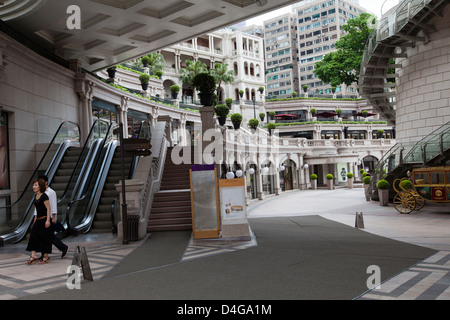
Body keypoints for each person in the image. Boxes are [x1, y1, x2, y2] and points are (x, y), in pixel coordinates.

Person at [34, 175, 68, 258]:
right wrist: (35, 218)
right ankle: (45, 253)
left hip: (48, 218)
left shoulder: (51, 192)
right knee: (43, 236)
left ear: (46, 182)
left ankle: (62, 248)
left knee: (49, 236)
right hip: (40, 218)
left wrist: (53, 217)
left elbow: (53, 205)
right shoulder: (39, 192)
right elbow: (37, 207)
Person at [26, 179, 52, 264]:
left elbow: (48, 208)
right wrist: (35, 220)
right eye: (33, 185)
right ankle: (33, 255)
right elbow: (37, 210)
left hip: (44, 219)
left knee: (44, 238)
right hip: (38, 220)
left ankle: (46, 256)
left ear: (40, 186)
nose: (34, 186)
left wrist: (48, 220)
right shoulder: (35, 196)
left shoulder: (44, 196)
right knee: (33, 236)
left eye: (36, 185)